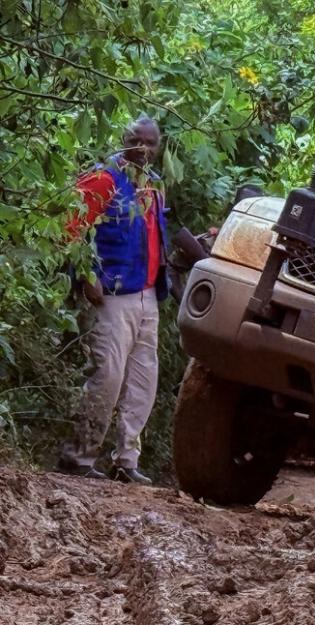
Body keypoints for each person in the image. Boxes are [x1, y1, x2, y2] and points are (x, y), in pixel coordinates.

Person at [57, 115, 170, 484]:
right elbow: (69, 229)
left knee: (143, 382)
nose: (142, 148)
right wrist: (86, 274)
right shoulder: (103, 179)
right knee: (107, 377)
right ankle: (79, 457)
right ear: (123, 139)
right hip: (114, 296)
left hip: (148, 295)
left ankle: (126, 460)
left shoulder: (154, 185)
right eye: (136, 140)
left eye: (150, 143)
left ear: (158, 147)